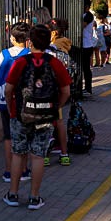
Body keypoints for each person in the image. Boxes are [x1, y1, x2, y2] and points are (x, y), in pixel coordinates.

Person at [3, 24, 72, 210]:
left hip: (21, 115)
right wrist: (56, 105)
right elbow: (66, 90)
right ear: (48, 41)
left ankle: (13, 194)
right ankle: (34, 197)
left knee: (18, 154)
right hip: (45, 115)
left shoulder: (20, 62)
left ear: (29, 42)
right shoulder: (55, 62)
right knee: (38, 156)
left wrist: (12, 107)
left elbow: (8, 89)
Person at [0, 23, 31, 183]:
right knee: (23, 135)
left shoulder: (3, 54)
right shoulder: (29, 55)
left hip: (4, 99)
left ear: (12, 38)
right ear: (28, 39)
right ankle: (23, 170)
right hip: (23, 101)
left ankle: (8, 171)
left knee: (8, 136)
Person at [46, 18, 78, 166]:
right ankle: (64, 153)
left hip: (46, 93)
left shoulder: (48, 51)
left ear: (53, 33)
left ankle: (45, 152)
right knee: (59, 121)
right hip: (59, 92)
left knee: (46, 123)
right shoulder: (63, 50)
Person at [80, 0, 95, 96]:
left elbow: (82, 25)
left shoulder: (89, 16)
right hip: (83, 44)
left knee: (86, 68)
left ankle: (88, 89)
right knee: (81, 67)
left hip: (87, 45)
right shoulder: (83, 15)